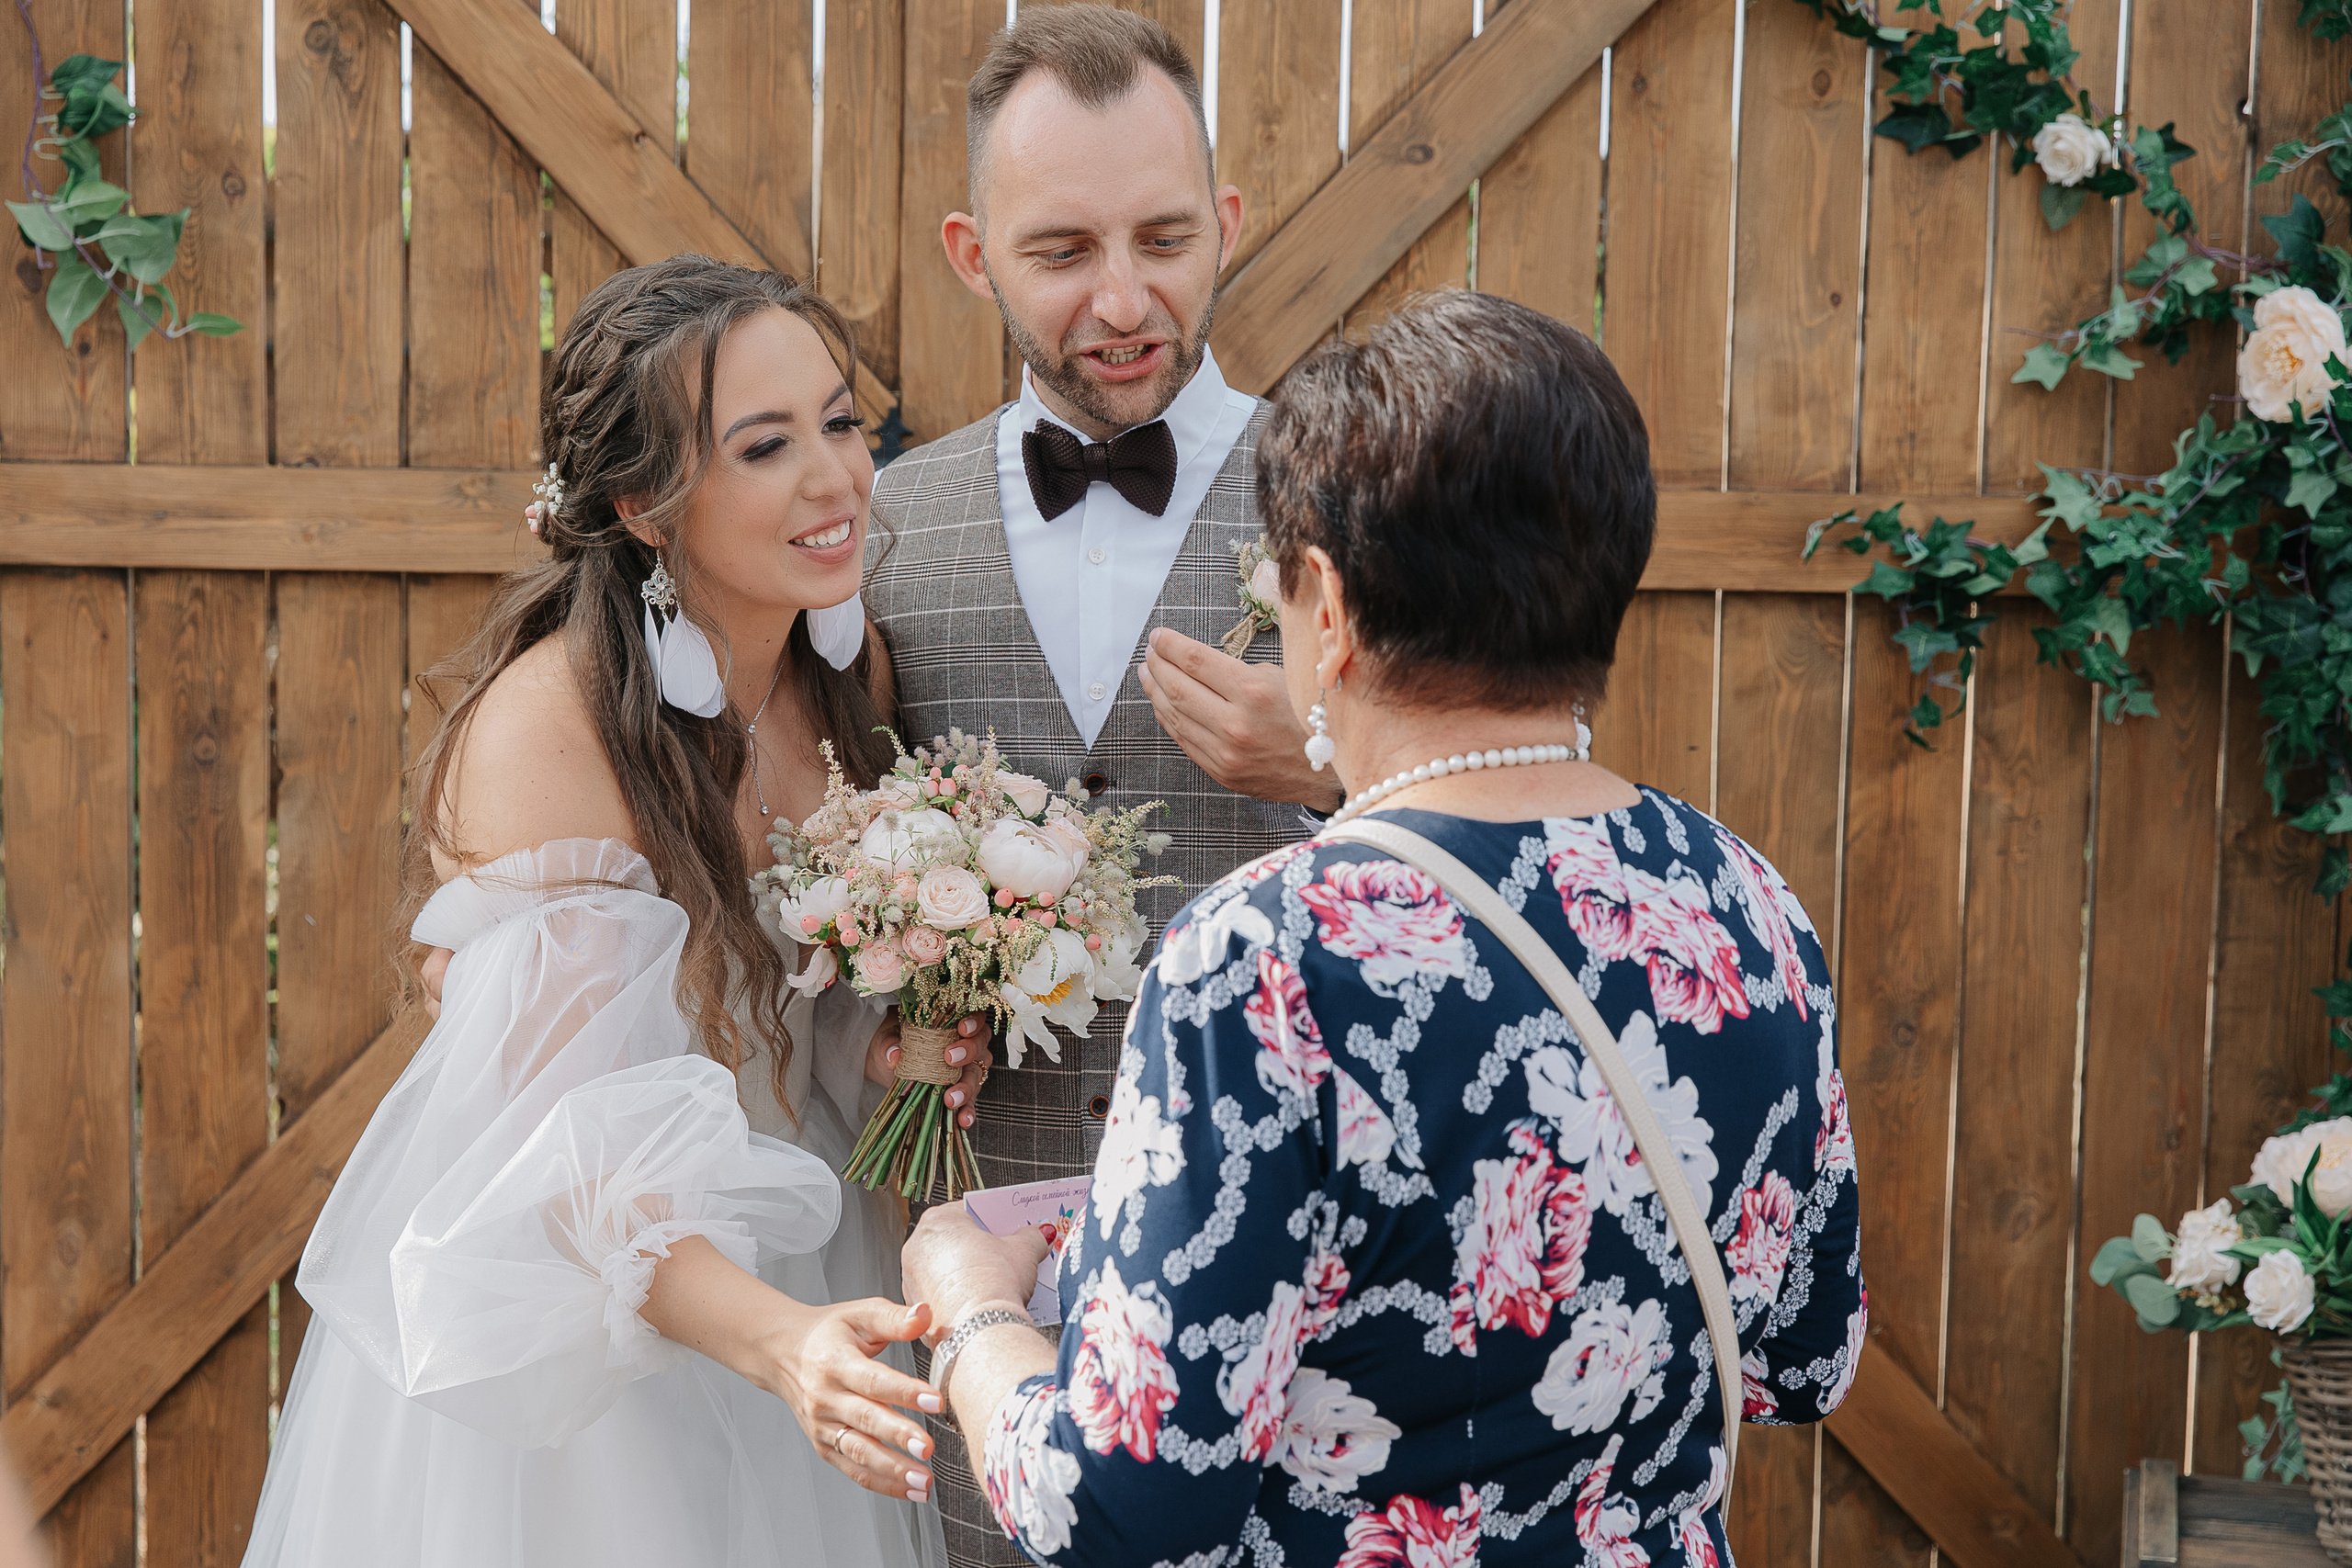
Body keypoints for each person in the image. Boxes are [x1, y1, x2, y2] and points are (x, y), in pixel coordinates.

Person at [898, 290, 1869, 1566]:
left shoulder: (1259, 958)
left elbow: (1123, 1514)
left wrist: (975, 1313)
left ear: (1330, 606)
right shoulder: (1744, 900)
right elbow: (1806, 1355)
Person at [242, 257, 990, 1568]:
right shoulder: (552, 731)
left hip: (799, 1256)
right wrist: (786, 1345)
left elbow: (766, 989)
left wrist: (878, 1046)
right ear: (645, 505)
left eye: (840, 421)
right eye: (766, 447)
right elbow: (573, 1163)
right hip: (598, 1348)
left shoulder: (838, 668)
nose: (835, 478)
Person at [861, 15, 1327, 1552]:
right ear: (971, 252)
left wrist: (1327, 769)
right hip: (982, 1306)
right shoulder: (875, 528)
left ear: (1231, 227)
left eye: (1167, 239)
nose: (1124, 301)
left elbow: (1502, 809)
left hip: (1299, 1286)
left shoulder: (1364, 497)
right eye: (1062, 249)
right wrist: (888, 1009)